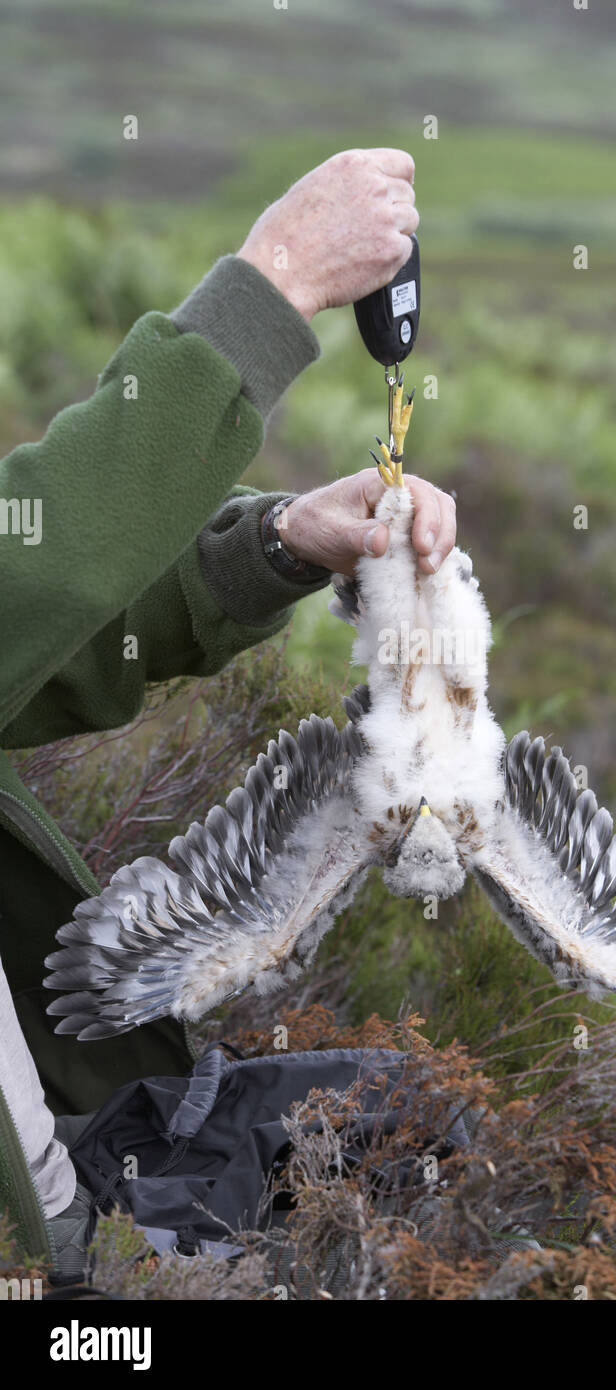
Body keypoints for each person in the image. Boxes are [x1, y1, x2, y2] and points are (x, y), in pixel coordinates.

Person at [0, 146, 456, 1278]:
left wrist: (274, 547)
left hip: (61, 1162)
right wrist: (277, 279)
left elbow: (35, 653)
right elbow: (33, 582)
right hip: (47, 1251)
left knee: (407, 1117)